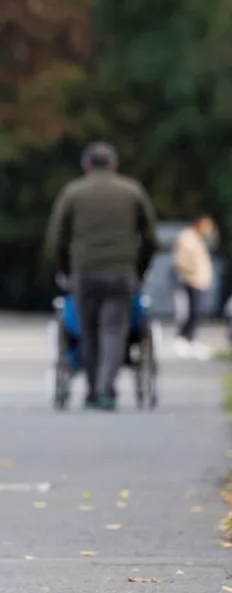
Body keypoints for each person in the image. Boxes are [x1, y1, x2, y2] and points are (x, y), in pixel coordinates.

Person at [46, 142, 158, 410]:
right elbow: (151, 238)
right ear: (114, 164)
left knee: (88, 330)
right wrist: (139, 269)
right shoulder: (132, 191)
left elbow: (57, 238)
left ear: (86, 166)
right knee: (113, 330)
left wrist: (66, 270)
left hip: (84, 271)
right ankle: (106, 388)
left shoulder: (73, 193)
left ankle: (93, 390)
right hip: (121, 272)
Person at [172, 215, 216, 359]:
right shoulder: (187, 238)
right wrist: (191, 274)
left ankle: (189, 339)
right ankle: (183, 339)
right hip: (192, 281)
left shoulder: (198, 239)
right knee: (191, 312)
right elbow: (180, 260)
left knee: (196, 312)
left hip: (200, 281)